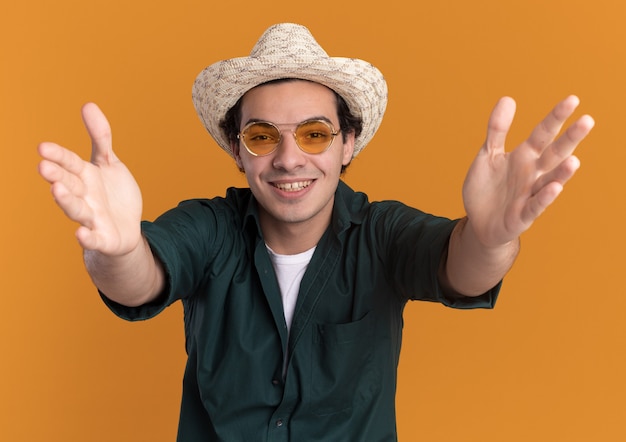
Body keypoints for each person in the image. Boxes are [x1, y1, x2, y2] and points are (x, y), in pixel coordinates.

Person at [37, 23, 594, 441]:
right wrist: (119, 249)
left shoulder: (381, 233)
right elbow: (141, 278)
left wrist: (492, 238)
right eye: (261, 136)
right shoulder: (210, 226)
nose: (288, 159)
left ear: (348, 143)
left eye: (314, 133)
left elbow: (461, 268)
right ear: (237, 150)